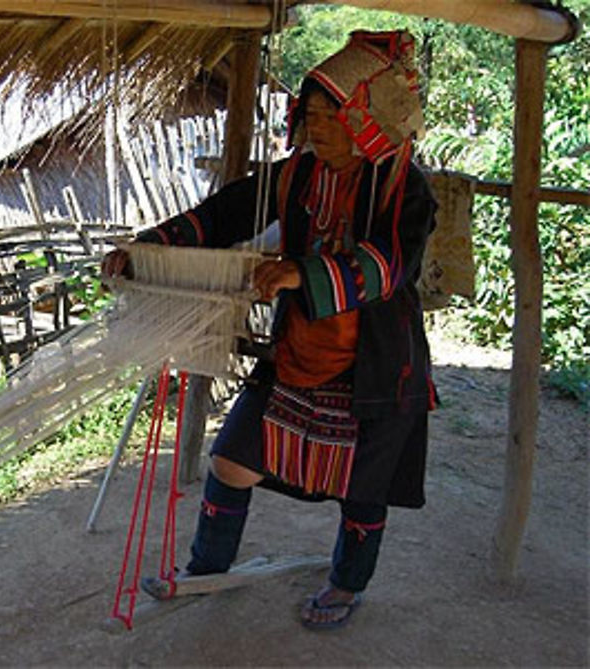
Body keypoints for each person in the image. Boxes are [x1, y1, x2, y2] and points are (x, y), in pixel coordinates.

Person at [102, 30, 438, 629]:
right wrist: (148, 247)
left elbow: (391, 266)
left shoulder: (402, 184)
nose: (315, 130)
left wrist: (300, 273)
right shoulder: (297, 176)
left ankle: (345, 585)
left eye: (328, 117)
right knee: (233, 456)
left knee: (365, 486)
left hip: (379, 364)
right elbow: (224, 213)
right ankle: (207, 569)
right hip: (299, 350)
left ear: (364, 119)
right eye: (308, 117)